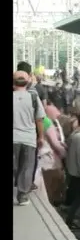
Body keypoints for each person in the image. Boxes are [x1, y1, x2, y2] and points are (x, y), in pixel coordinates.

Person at [13, 70, 46, 206]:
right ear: (28, 83)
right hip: (29, 139)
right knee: (26, 167)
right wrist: (41, 137)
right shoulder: (33, 97)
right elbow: (39, 119)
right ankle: (22, 196)